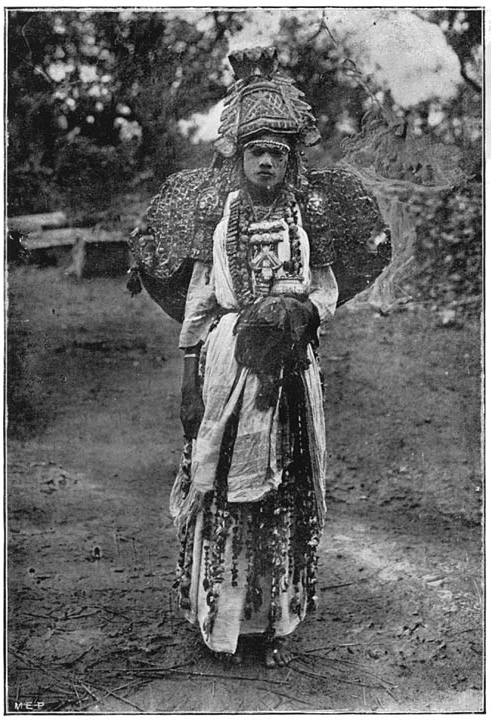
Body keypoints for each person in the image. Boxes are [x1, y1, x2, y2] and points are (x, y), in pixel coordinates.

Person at [128, 46, 390, 668]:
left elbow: (324, 286)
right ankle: (220, 624)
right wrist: (189, 382)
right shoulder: (218, 223)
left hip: (292, 371)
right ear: (238, 158)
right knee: (224, 483)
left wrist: (305, 312)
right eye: (255, 152)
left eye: (277, 151)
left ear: (291, 158)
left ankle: (274, 623)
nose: (267, 162)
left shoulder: (309, 220)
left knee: (285, 484)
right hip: (228, 365)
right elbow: (197, 306)